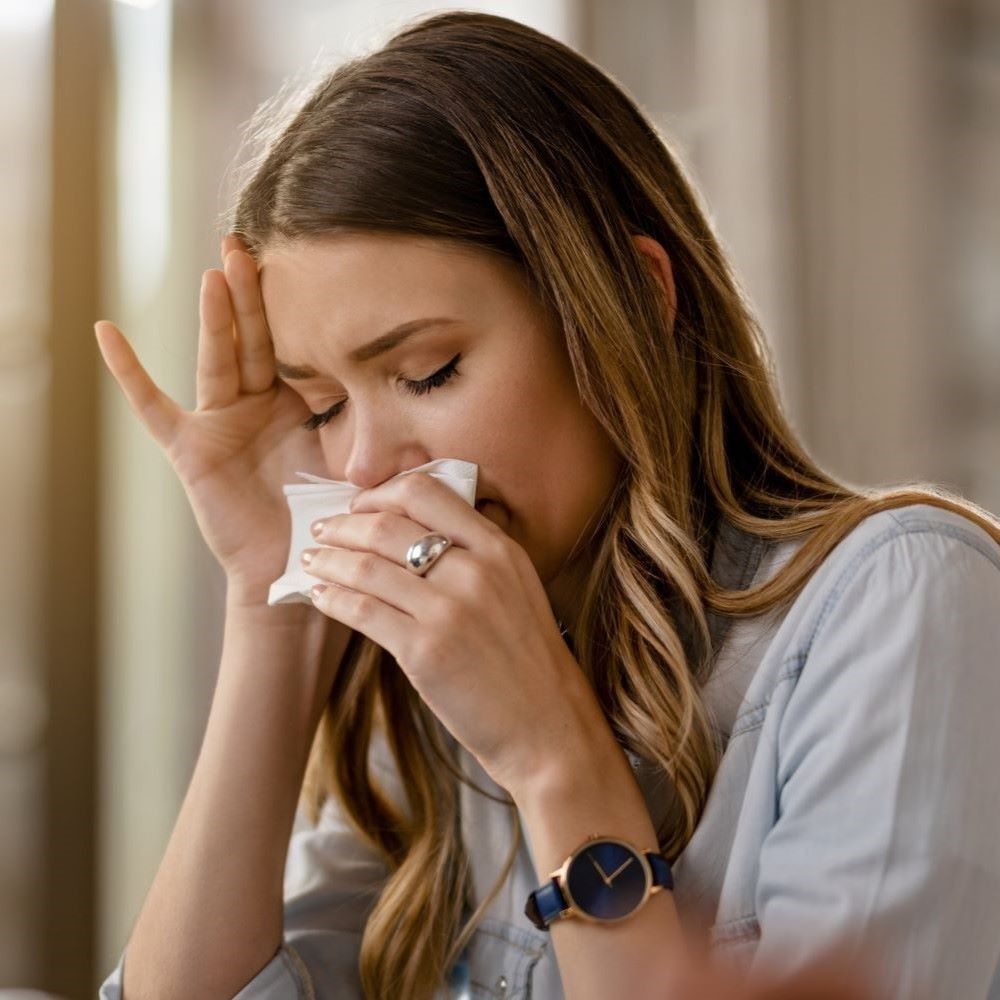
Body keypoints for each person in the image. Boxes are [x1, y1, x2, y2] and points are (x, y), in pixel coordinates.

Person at [93, 10, 1000, 1000]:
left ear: (631, 300)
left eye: (427, 371)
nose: (361, 468)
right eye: (321, 405)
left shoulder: (900, 601)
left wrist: (550, 755)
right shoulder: (433, 696)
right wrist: (271, 602)